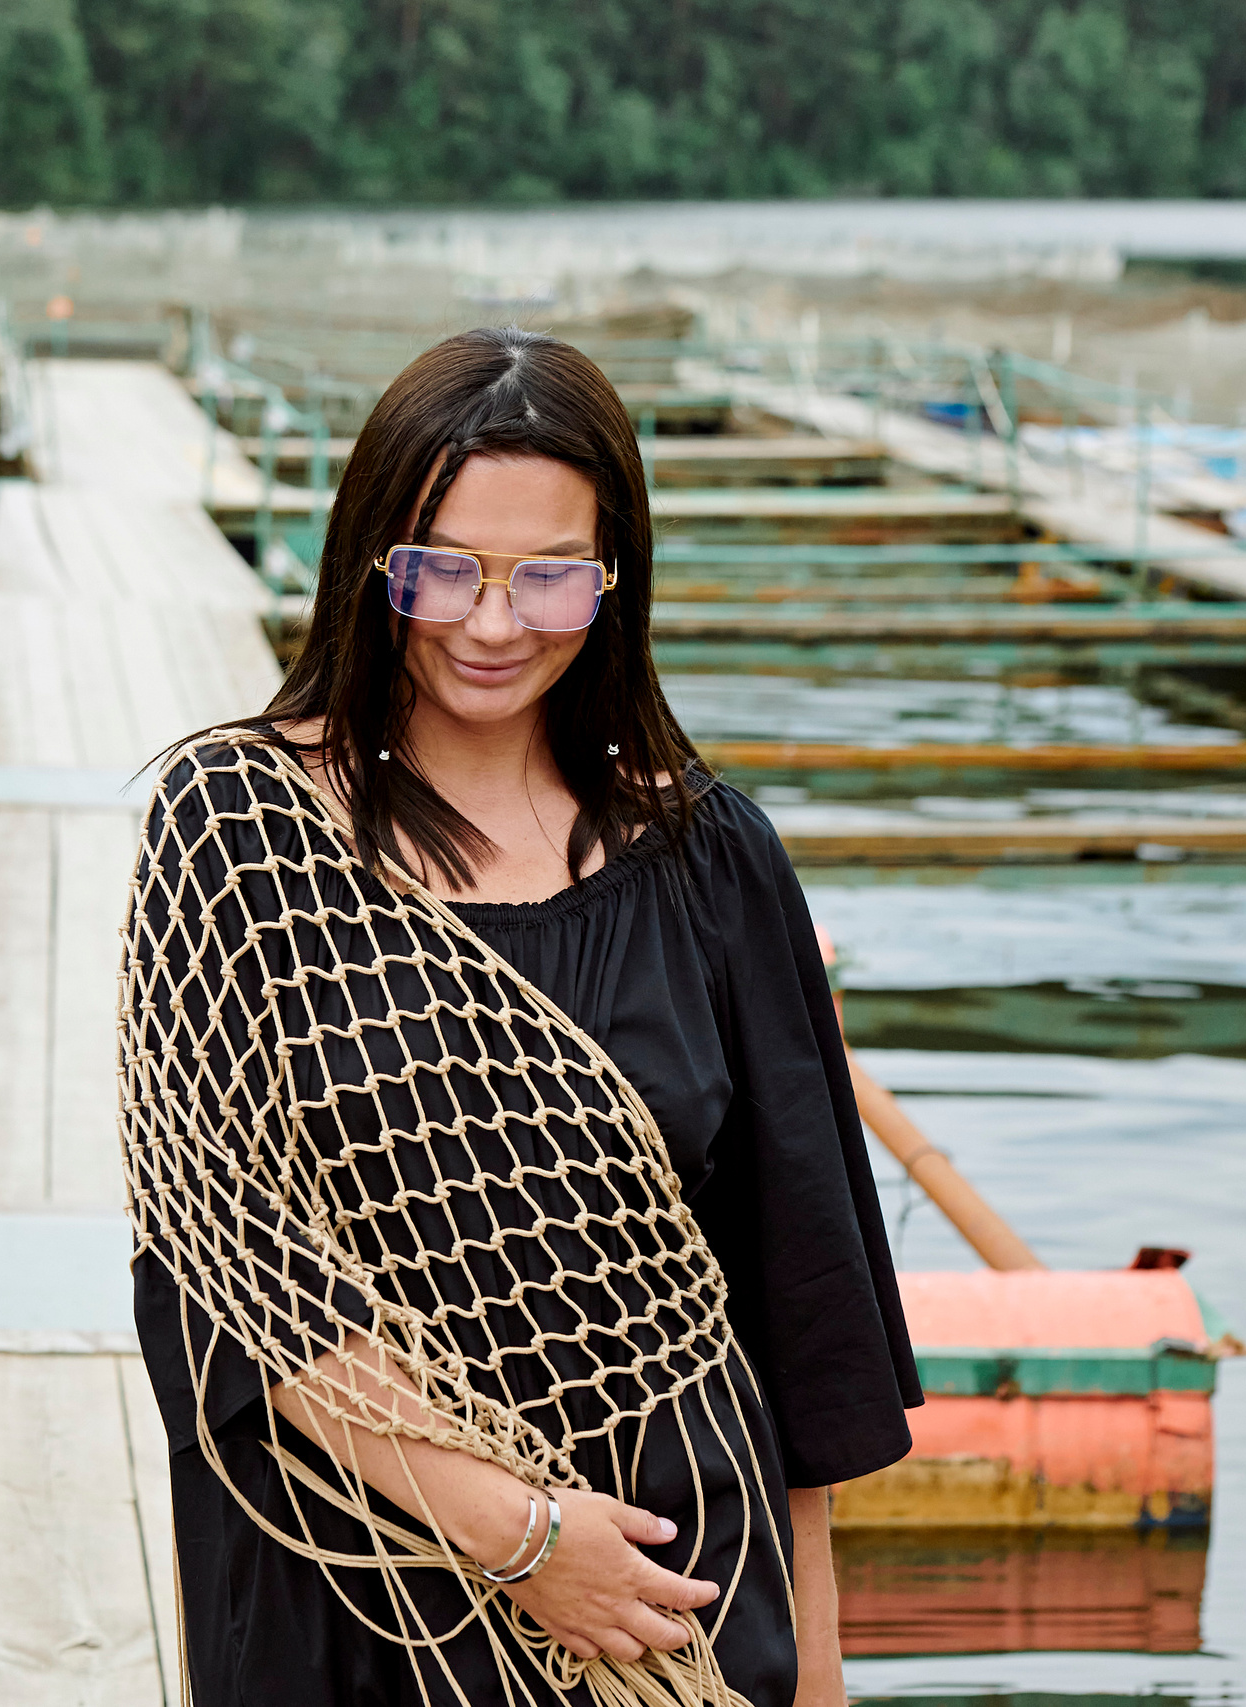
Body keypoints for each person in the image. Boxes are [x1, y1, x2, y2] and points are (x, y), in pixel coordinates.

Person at [118, 326, 920, 1707]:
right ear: (371, 564)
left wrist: (822, 1675)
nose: (493, 624)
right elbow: (219, 1275)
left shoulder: (715, 863)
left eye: (549, 577)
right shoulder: (240, 839)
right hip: (346, 1586)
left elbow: (805, 1319)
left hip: (675, 1600)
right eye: (444, 572)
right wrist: (524, 1538)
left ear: (615, 581)